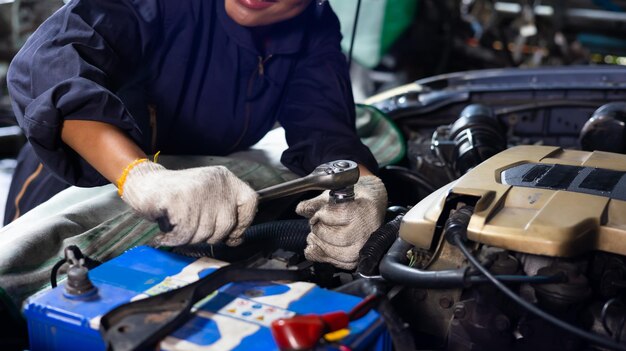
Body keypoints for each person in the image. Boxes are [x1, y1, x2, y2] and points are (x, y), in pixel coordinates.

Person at [4, 0, 387, 269]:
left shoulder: (315, 29)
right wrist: (140, 177)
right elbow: (48, 64)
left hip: (195, 202)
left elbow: (325, 130)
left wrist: (365, 191)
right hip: (76, 185)